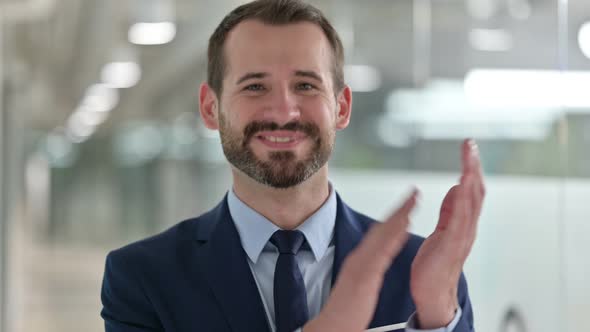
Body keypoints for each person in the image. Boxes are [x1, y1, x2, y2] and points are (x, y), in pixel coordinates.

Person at [100, 0, 485, 331]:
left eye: (305, 85)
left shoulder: (423, 274)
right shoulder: (144, 277)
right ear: (210, 107)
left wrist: (436, 314)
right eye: (254, 86)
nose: (284, 111)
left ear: (341, 107)